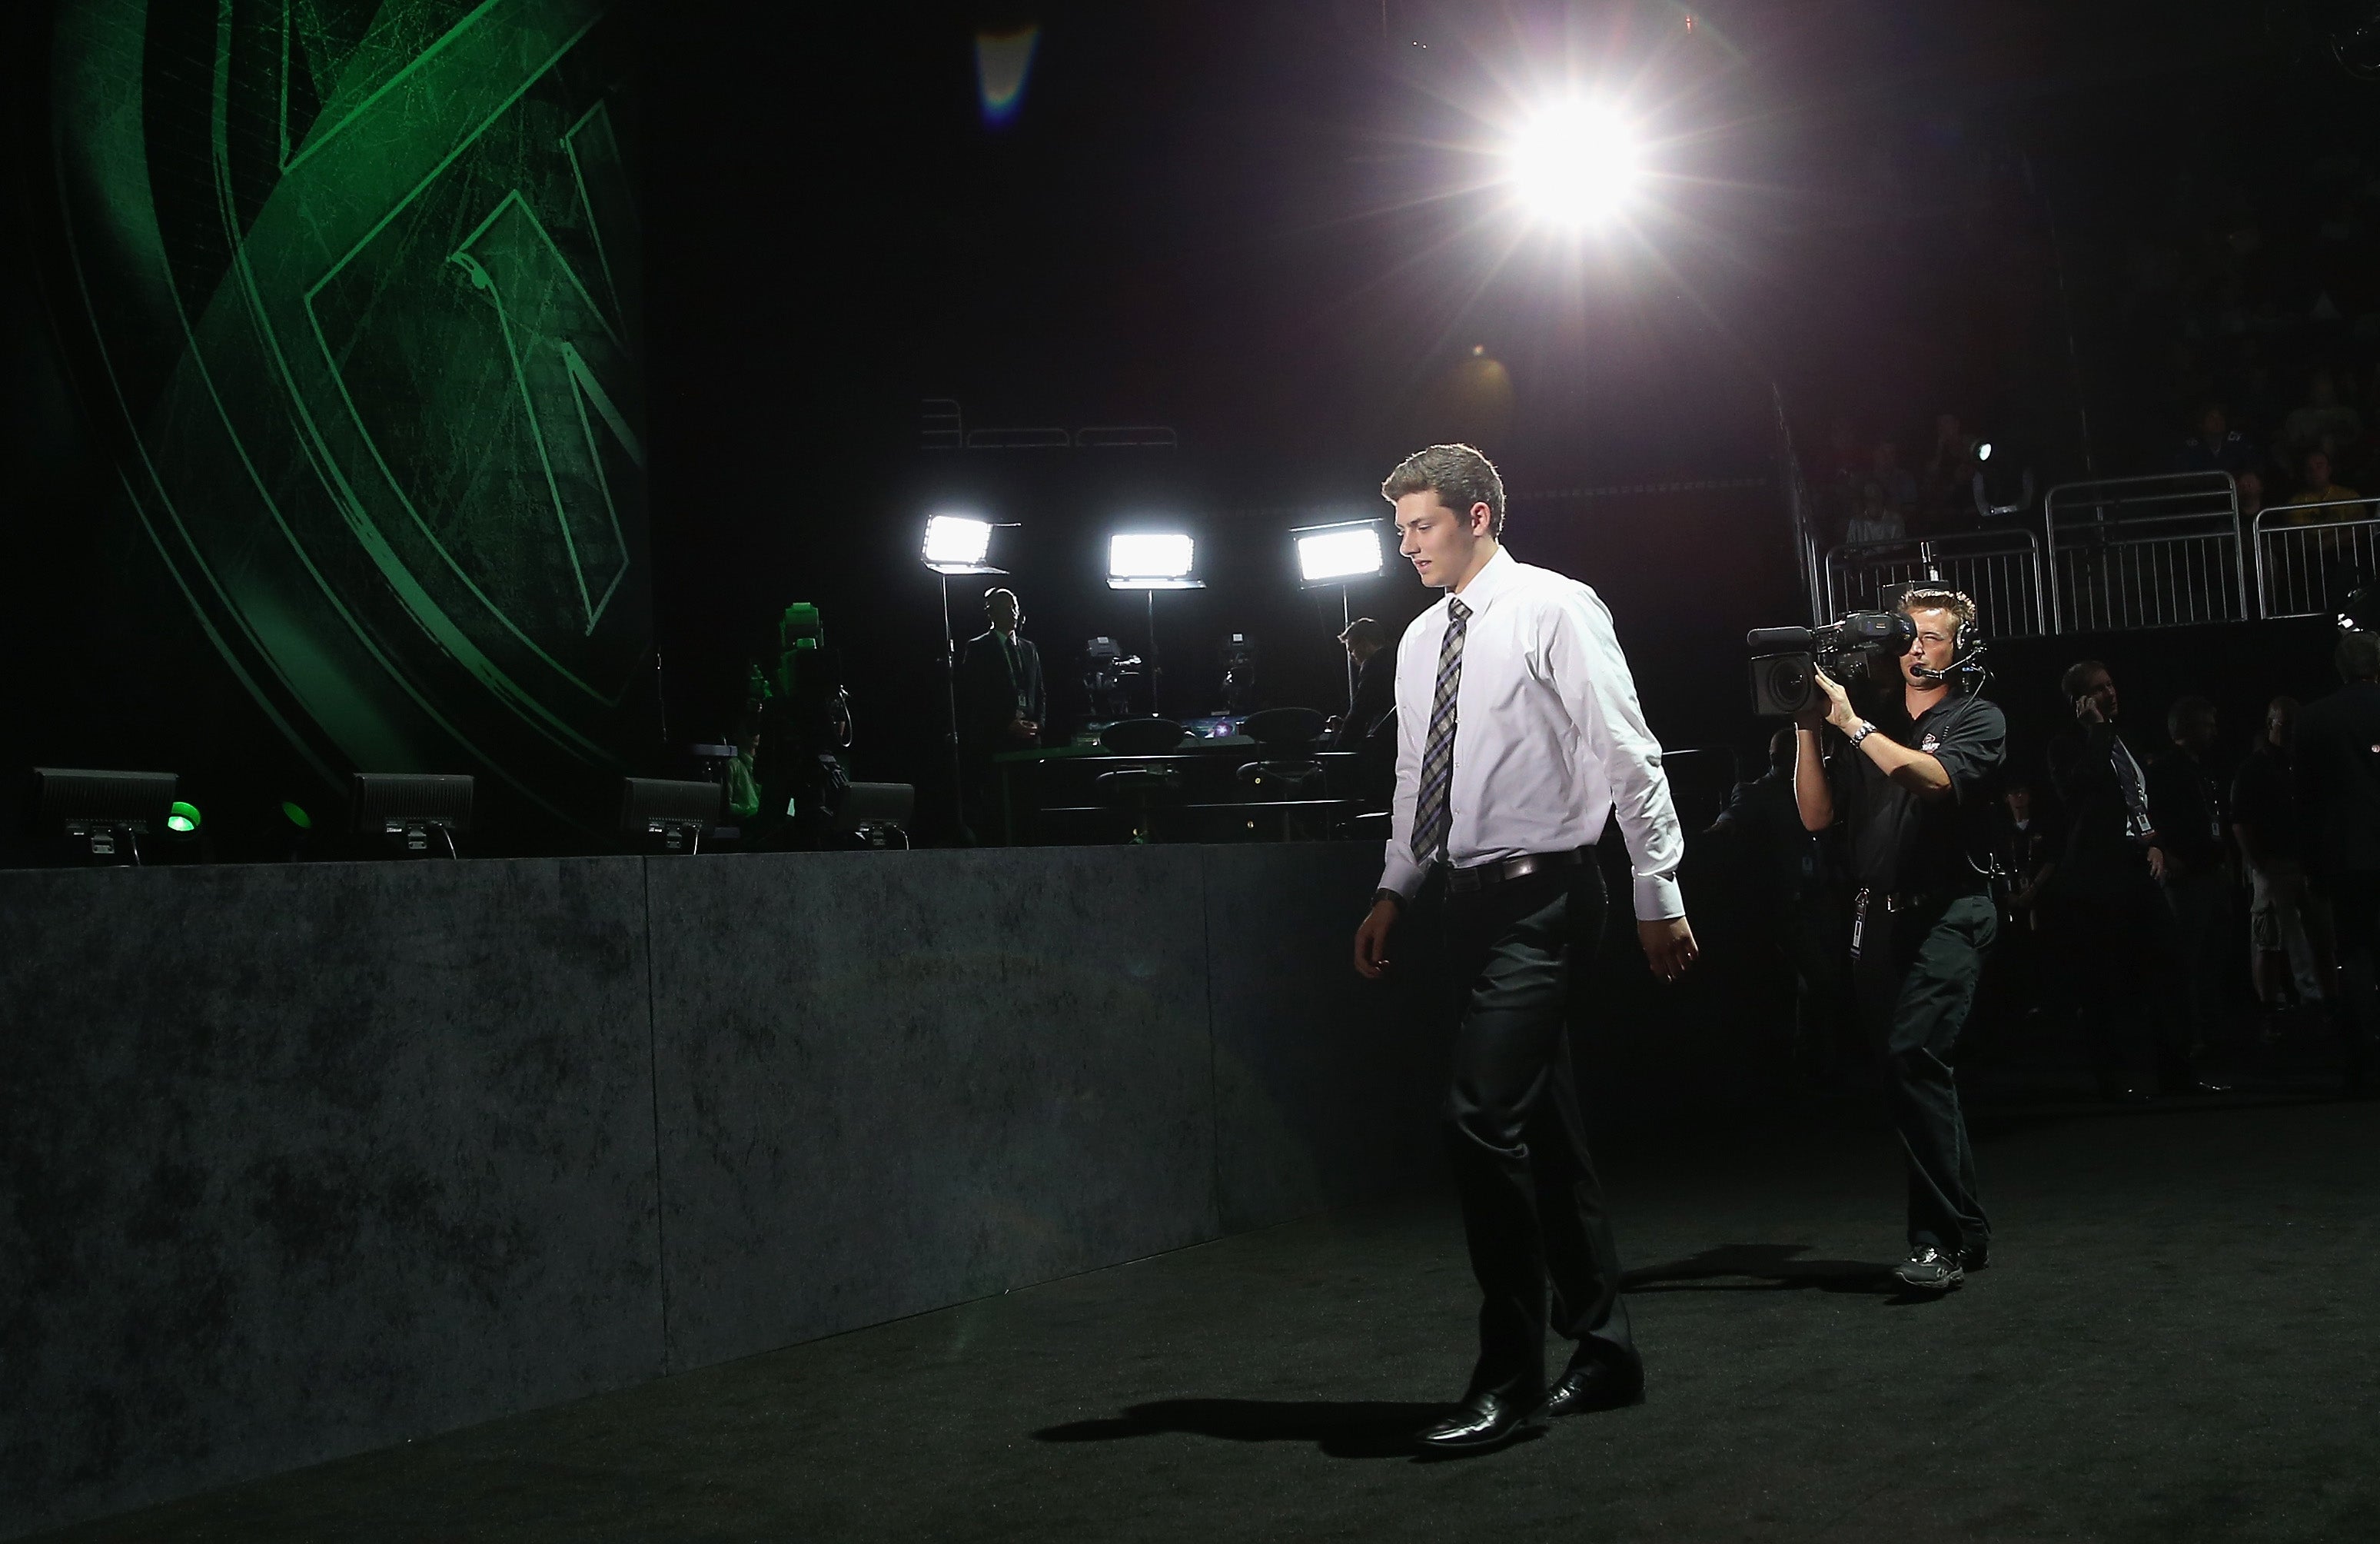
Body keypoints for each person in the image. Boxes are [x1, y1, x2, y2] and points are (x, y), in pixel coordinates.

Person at [1351, 443, 1695, 1452]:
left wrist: (1656, 890)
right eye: (1401, 528)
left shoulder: (1556, 606)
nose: (1407, 543)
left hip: (1549, 898)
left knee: (1478, 1117)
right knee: (1543, 1126)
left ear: (1481, 516)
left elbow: (1624, 748)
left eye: (1423, 524)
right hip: (1464, 906)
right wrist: (1395, 890)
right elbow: (1420, 778)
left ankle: (1509, 1376)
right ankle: (1605, 1351)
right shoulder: (1419, 642)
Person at [1793, 587, 2003, 1293]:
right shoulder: (1871, 723)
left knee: (1916, 1056)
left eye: (1935, 638)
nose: (1917, 648)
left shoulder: (1978, 718)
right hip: (1877, 919)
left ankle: (1935, 1242)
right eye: (1910, 636)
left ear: (1961, 648)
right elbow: (1818, 818)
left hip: (1949, 914)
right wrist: (1806, 729)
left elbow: (1938, 782)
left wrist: (1853, 728)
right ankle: (1966, 1228)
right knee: (1912, 1075)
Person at [2045, 662, 2226, 1100]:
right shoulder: (2067, 744)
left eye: (2111, 684)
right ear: (2080, 701)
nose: (2111, 693)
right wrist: (2097, 731)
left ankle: (2177, 1071)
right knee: (2108, 978)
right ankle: (2112, 1077)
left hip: (2136, 866)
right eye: (2099, 689)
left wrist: (2156, 842)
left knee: (2169, 965)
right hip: (2099, 875)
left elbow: (2137, 801)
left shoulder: (2123, 742)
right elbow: (2080, 791)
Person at [1708, 727, 1850, 1080]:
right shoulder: (1759, 792)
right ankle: (1812, 1065)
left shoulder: (1824, 787)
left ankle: (1826, 1061)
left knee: (1829, 980)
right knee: (1817, 979)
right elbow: (1733, 817)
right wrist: (1718, 830)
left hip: (1826, 896)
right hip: (1791, 905)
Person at [2292, 631, 2380, 1093]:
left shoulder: (2312, 720)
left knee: (2355, 956)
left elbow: (2305, 802)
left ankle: (2363, 1060)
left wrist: (2311, 865)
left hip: (2346, 857)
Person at [2232, 695, 2334, 1037]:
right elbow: (2241, 822)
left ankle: (2323, 1002)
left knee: (2320, 935)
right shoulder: (2255, 769)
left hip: (2305, 863)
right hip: (2274, 864)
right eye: (2284, 725)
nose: (2291, 732)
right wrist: (2259, 864)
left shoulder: (2305, 764)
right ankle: (2270, 1008)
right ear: (2271, 725)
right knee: (2269, 938)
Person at [2147, 696, 2235, 1066]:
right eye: (2207, 725)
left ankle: (2211, 1032)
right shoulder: (2167, 769)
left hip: (2208, 873)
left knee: (2211, 959)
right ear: (2187, 729)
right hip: (2186, 878)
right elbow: (2150, 815)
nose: (2214, 732)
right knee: (2188, 960)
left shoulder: (2203, 769)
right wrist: (2167, 853)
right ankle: (2190, 1038)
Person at [958, 588, 1045, 843]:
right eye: (1007, 608)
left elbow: (1039, 692)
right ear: (991, 612)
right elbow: (974, 696)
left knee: (1028, 808)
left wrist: (1038, 725)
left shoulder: (1029, 649)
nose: (1013, 613)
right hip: (997, 742)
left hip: (1029, 742)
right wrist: (1005, 724)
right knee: (999, 809)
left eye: (1015, 607)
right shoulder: (978, 648)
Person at [1328, 615, 1399, 805]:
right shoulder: (1398, 656)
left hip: (1384, 750)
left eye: (1352, 651)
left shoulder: (1374, 665)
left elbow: (1360, 713)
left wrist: (1338, 751)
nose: (1352, 657)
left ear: (1365, 644)